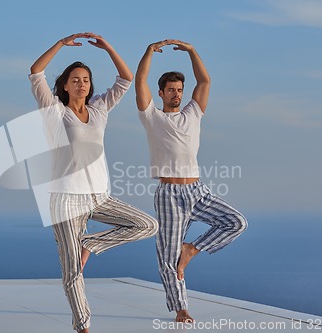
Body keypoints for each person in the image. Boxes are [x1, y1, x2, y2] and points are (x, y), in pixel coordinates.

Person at [29, 32, 158, 333]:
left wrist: (108, 47)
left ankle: (91, 243)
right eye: (75, 79)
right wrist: (60, 44)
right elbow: (36, 72)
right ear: (64, 85)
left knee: (147, 225)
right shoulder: (54, 112)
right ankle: (83, 327)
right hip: (65, 200)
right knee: (73, 271)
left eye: (85, 79)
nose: (81, 84)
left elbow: (125, 79)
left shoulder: (99, 109)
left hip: (99, 196)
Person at [135, 39, 247, 323]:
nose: (176, 94)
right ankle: (181, 309)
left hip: (197, 190)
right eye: (171, 90)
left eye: (179, 90)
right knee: (167, 259)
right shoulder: (152, 117)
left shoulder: (193, 113)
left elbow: (205, 80)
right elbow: (141, 79)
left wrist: (193, 52)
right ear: (161, 93)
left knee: (236, 222)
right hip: (169, 194)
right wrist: (149, 52)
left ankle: (192, 249)